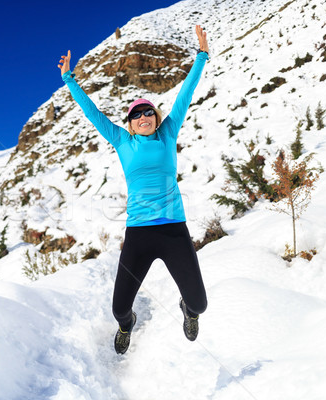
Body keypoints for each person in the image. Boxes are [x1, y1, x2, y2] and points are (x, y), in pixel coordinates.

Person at [58, 25, 210, 354]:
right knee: (118, 309)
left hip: (173, 230)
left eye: (148, 111)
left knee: (199, 303)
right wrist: (70, 79)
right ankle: (128, 325)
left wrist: (201, 55)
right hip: (139, 233)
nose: (143, 115)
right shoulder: (122, 141)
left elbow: (186, 93)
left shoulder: (168, 132)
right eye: (136, 113)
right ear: (130, 123)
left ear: (156, 117)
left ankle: (188, 310)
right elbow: (93, 114)